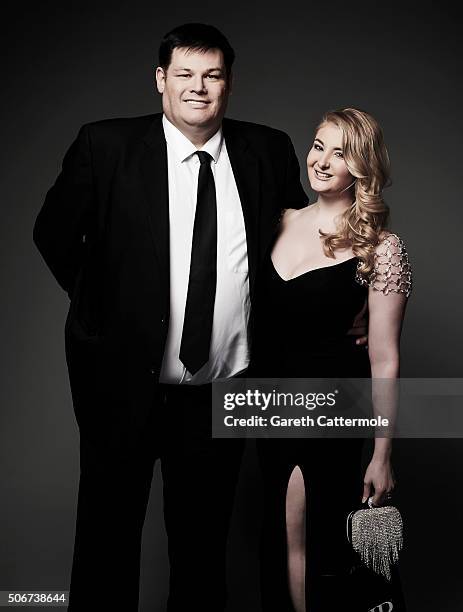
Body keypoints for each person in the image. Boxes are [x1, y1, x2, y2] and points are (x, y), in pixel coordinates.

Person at [32, 22, 313, 611]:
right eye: (184, 74)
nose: (197, 88)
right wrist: (103, 316)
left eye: (211, 75)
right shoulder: (104, 146)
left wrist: (364, 296)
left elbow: (300, 253)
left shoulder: (267, 149)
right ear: (161, 81)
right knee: (107, 542)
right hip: (122, 385)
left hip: (222, 392)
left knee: (202, 552)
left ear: (229, 83)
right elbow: (53, 234)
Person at [248, 108, 412, 611]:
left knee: (320, 544)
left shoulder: (382, 249)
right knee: (279, 541)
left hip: (329, 411)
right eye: (318, 145)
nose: (321, 161)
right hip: (265, 406)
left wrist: (382, 455)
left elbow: (384, 360)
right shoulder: (276, 221)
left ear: (360, 167)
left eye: (339, 152)